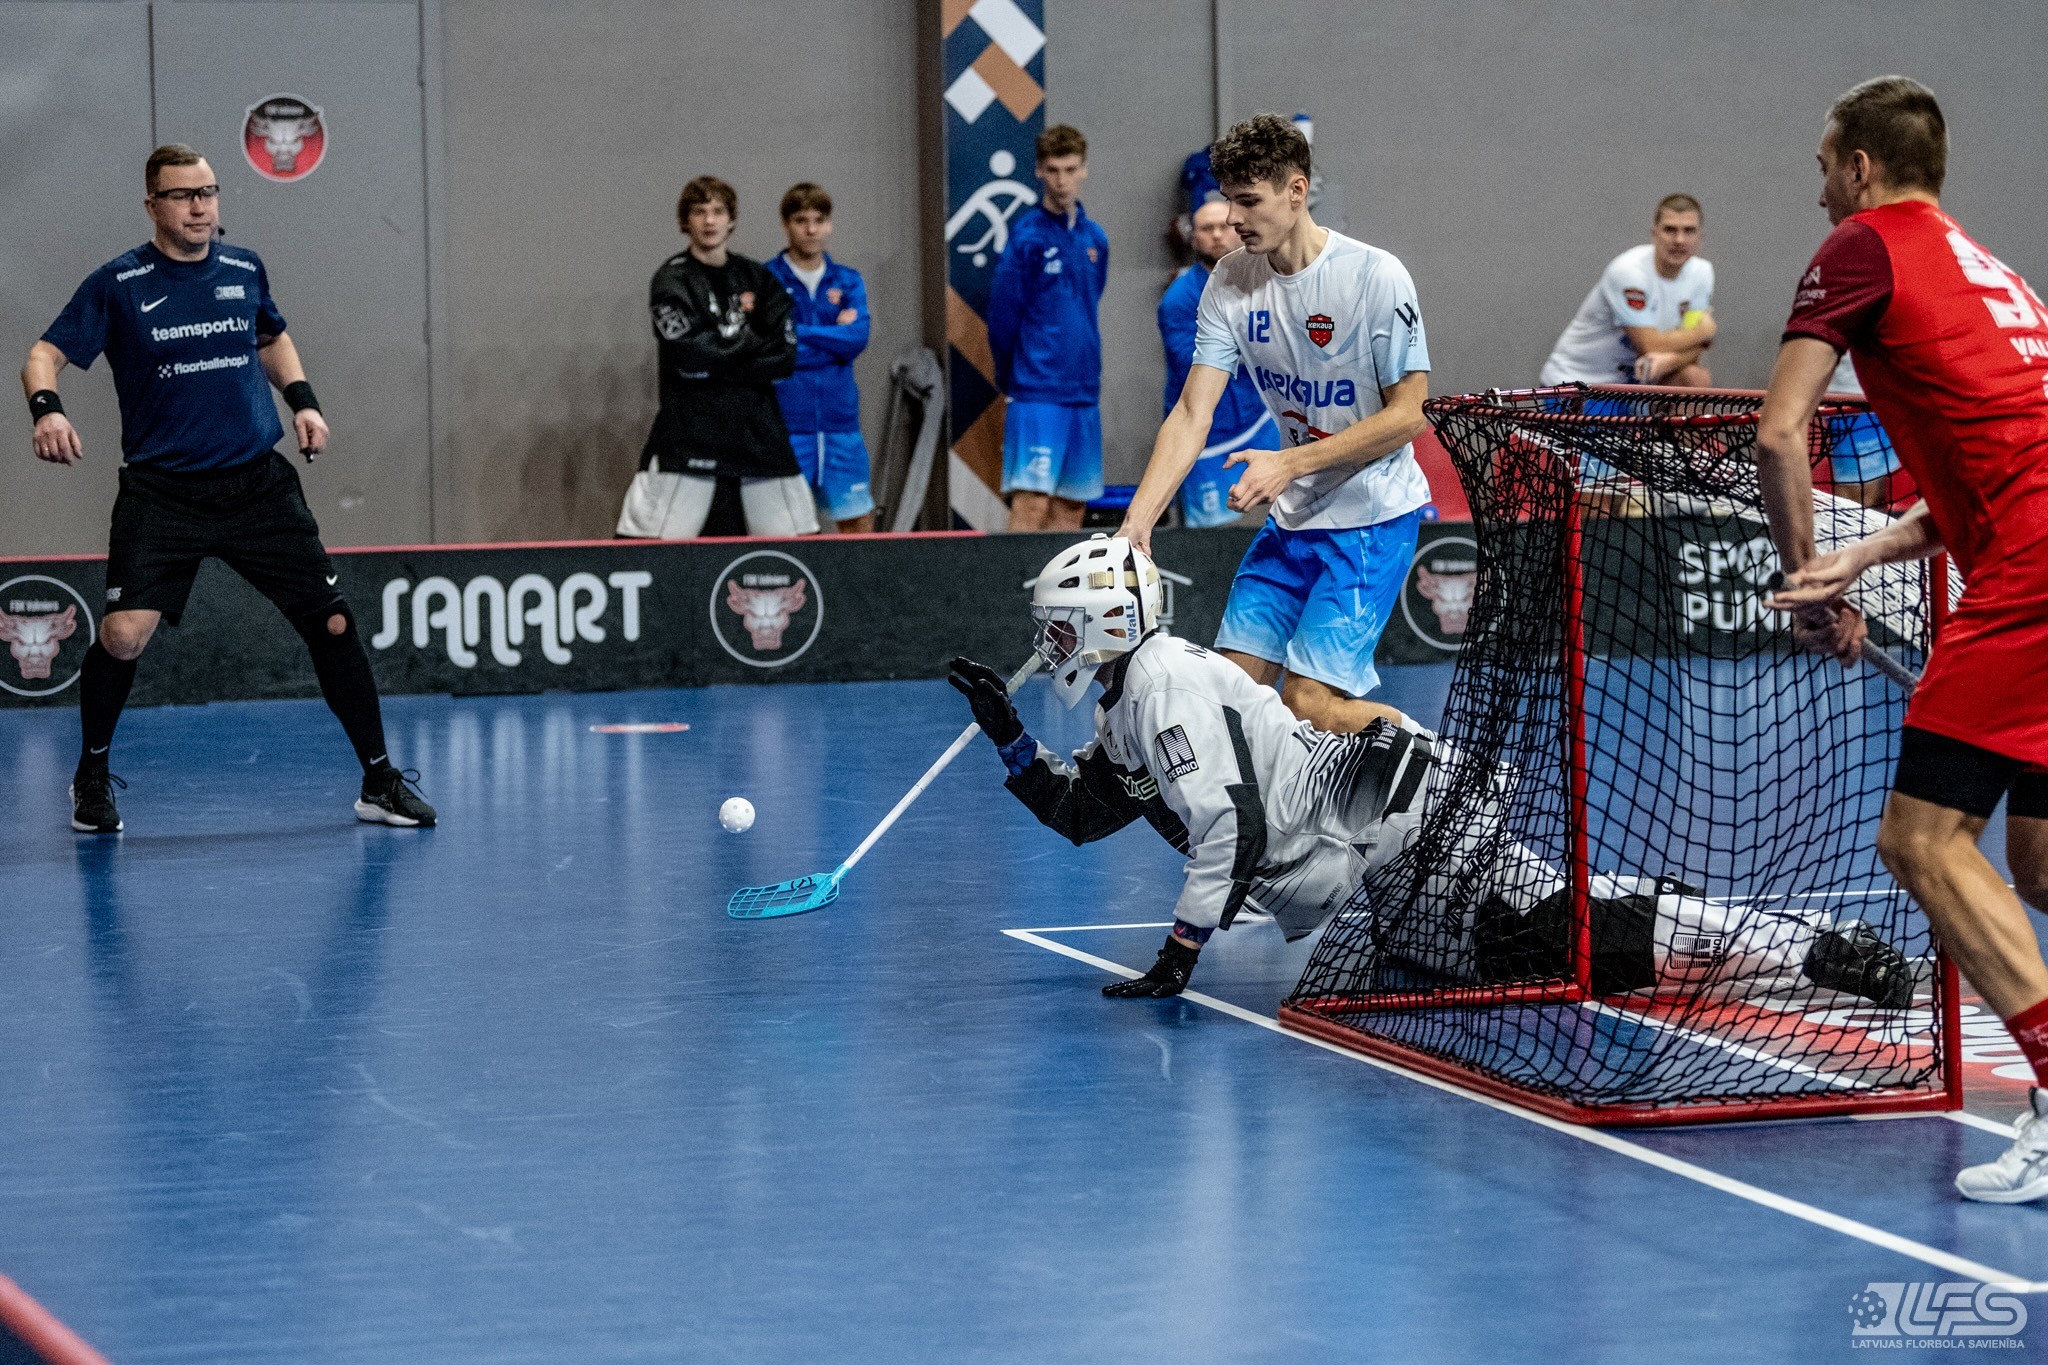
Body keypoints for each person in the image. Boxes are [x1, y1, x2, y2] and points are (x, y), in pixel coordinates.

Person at [949, 536, 1917, 1004]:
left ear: (1103, 625)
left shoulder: (1160, 686)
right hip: (1380, 837)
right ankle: (1759, 934)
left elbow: (1230, 827)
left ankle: (1806, 949)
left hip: (1394, 822)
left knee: (1542, 937)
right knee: (1534, 932)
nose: (1048, 643)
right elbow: (1082, 813)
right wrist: (1008, 740)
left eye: (1058, 627)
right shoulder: (1130, 701)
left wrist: (1178, 954)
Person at [1754, 76, 2048, 1202]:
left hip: (2029, 576)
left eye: (1824, 166)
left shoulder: (1861, 249)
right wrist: (1862, 559)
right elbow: (1982, 475)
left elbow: (1779, 433)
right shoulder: (1986, 269)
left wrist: (1802, 583)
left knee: (1921, 842)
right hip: (2024, 543)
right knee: (2035, 864)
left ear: (1860, 167)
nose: (1819, 189)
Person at [19, 143, 435, 833]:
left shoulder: (244, 268)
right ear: (153, 205)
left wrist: (303, 401)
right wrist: (47, 410)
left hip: (257, 487)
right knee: (122, 637)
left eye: (208, 192)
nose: (200, 206)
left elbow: (271, 337)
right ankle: (90, 775)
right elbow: (43, 354)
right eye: (184, 195)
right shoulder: (119, 283)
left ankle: (379, 780)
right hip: (163, 494)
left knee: (333, 623)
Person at [1117, 113, 1430, 736]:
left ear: (1296, 191)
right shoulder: (1229, 280)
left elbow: (1409, 415)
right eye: (1228, 200)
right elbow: (1192, 411)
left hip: (1371, 519)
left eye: (1248, 201)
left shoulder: (1375, 277)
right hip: (1293, 521)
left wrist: (1288, 462)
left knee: (1309, 706)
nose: (1233, 218)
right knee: (1229, 704)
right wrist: (1137, 524)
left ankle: (1454, 772)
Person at [616, 176, 812, 540]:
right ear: (685, 220)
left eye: (718, 211)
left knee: (797, 555)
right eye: (699, 211)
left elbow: (783, 358)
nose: (709, 221)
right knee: (647, 553)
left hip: (758, 433)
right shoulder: (671, 280)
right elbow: (690, 356)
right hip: (690, 433)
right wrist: (751, 341)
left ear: (731, 219)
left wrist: (718, 359)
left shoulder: (758, 278)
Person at [987, 125, 1109, 533]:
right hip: (1036, 391)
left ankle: (1060, 581)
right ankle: (1012, 580)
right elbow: (1003, 318)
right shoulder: (1026, 237)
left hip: (1084, 391)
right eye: (1053, 170)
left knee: (1072, 507)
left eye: (1070, 169)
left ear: (1084, 169)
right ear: (1039, 171)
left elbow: (1089, 302)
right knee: (1031, 504)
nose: (1062, 181)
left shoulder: (1095, 238)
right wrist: (1013, 378)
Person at [1157, 198, 1283, 528]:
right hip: (1208, 440)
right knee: (1215, 539)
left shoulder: (1266, 282)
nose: (1216, 235)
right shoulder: (1178, 299)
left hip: (1261, 424)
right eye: (1206, 229)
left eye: (1224, 226)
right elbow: (1198, 365)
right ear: (1193, 238)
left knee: (1277, 526)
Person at [765, 183, 875, 533]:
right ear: (785, 224)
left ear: (830, 224)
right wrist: (832, 337)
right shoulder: (767, 279)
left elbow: (856, 339)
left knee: (858, 524)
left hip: (840, 425)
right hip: (787, 427)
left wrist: (799, 332)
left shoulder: (848, 280)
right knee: (788, 531)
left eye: (819, 220)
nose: (811, 230)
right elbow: (772, 347)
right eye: (801, 220)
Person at [1541, 195, 1717, 388]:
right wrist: (1703, 331)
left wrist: (1671, 361)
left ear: (1700, 236)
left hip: (1631, 387)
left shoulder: (1702, 273)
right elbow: (1649, 345)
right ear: (1654, 234)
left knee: (1694, 377)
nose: (1679, 240)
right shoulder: (1629, 271)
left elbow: (1695, 347)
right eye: (1670, 230)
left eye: (1689, 231)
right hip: (1577, 383)